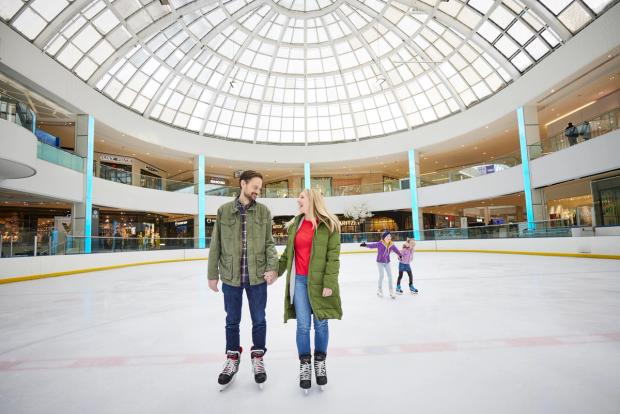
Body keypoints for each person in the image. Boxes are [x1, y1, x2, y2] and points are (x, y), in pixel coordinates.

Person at [207, 170, 279, 390]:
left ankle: (258, 357)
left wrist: (272, 267)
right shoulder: (224, 211)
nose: (258, 191)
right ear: (243, 184)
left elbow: (269, 242)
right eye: (255, 186)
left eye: (260, 188)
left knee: (259, 319)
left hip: (257, 276)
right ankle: (232, 358)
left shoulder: (264, 212)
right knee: (232, 320)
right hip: (231, 276)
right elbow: (216, 244)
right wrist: (212, 274)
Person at [278, 188, 342, 393]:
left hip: (320, 282)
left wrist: (329, 284)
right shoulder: (295, 225)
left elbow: (333, 258)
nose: (298, 200)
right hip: (299, 281)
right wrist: (274, 273)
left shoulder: (329, 225)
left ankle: (320, 362)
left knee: (321, 324)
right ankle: (305, 364)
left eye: (302, 197)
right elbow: (288, 256)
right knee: (303, 327)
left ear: (312, 200)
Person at [360, 230, 401, 299]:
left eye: (390, 236)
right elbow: (372, 245)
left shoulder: (391, 244)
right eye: (388, 236)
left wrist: (400, 255)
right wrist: (365, 245)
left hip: (387, 262)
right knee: (381, 275)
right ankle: (379, 290)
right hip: (380, 262)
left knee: (390, 276)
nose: (389, 237)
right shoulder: (380, 243)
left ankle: (391, 291)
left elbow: (396, 250)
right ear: (384, 237)